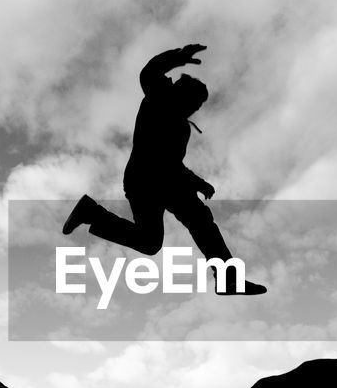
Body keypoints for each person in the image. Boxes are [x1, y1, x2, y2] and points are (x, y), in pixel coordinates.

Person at [62, 44, 266, 294]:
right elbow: (149, 72)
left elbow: (173, 163)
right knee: (155, 240)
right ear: (181, 94)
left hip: (168, 180)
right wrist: (177, 57)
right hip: (144, 180)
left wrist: (197, 183)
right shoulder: (159, 97)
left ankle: (227, 278)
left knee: (192, 223)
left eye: (198, 106)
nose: (194, 109)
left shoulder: (182, 128)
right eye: (194, 102)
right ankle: (91, 212)